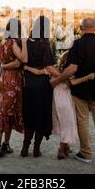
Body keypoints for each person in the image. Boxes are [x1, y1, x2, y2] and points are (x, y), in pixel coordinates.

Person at [50, 17, 95, 163]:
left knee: (82, 121)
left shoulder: (77, 45)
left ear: (81, 28)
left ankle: (86, 153)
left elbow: (72, 68)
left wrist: (56, 81)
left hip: (80, 91)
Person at [26, 50, 95, 159]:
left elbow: (39, 72)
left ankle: (65, 147)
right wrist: (88, 77)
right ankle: (61, 150)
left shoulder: (54, 70)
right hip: (65, 99)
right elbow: (73, 82)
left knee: (63, 122)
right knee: (67, 123)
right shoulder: (69, 72)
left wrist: (26, 68)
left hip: (56, 98)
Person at [17, 16, 58, 157]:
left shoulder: (26, 42)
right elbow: (49, 67)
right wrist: (62, 76)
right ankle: (36, 149)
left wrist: (29, 69)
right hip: (42, 86)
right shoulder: (45, 45)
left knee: (29, 115)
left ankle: (24, 148)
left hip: (28, 85)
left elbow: (22, 63)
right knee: (41, 116)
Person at [0, 18, 25, 159]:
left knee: (6, 111)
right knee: (7, 112)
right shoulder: (13, 42)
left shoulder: (2, 43)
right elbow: (21, 60)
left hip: (3, 79)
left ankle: (5, 144)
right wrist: (24, 43)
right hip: (13, 80)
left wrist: (4, 67)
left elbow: (4, 62)